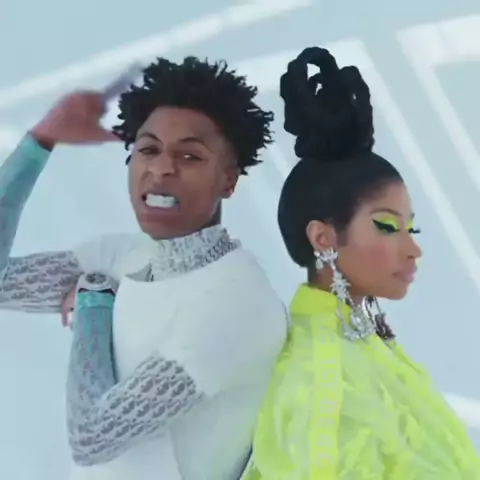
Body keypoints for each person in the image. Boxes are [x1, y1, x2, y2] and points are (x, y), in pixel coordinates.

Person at [0, 56, 287, 480]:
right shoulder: (125, 255)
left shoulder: (236, 300)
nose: (161, 167)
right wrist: (40, 141)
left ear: (229, 179)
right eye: (148, 149)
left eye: (189, 155)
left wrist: (93, 302)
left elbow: (95, 436)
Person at [243, 47, 480, 479]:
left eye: (411, 227)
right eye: (387, 226)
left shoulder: (357, 340)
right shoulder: (323, 380)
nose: (412, 248)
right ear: (323, 238)